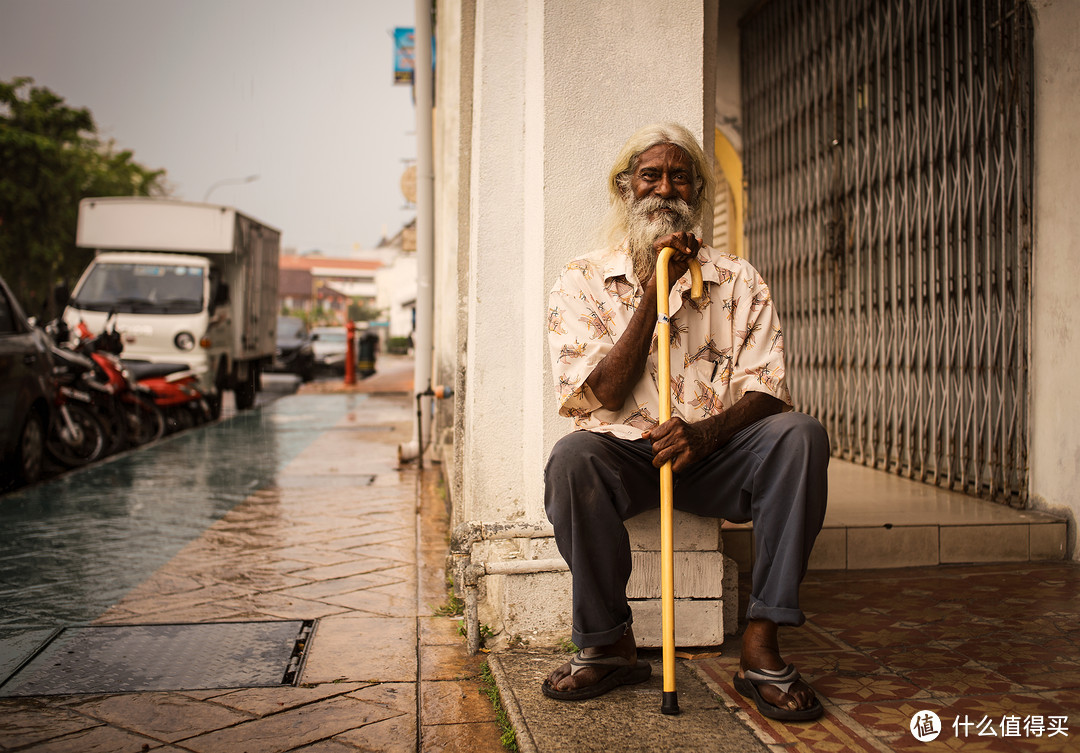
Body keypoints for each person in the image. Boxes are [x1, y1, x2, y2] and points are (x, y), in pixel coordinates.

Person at [542, 123, 828, 721]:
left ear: (696, 194)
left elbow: (769, 391)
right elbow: (601, 395)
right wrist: (656, 292)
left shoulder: (739, 280)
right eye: (651, 175)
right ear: (626, 188)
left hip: (713, 452)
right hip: (627, 451)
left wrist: (705, 433)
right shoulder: (583, 280)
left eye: (680, 177)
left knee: (801, 437)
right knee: (572, 460)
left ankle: (761, 642)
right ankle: (607, 642)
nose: (664, 188)